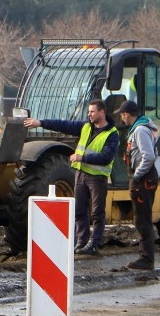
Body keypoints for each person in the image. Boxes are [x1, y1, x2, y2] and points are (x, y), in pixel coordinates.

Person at [23, 99, 119, 256]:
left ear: (102, 112)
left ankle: (95, 243)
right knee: (79, 210)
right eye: (88, 112)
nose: (89, 114)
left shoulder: (112, 134)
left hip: (97, 177)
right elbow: (63, 125)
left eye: (92, 111)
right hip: (81, 175)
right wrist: (40, 123)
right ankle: (82, 241)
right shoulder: (86, 127)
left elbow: (106, 157)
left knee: (97, 212)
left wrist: (82, 158)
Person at [117, 100, 158, 271]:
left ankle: (146, 259)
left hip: (143, 179)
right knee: (141, 218)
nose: (121, 118)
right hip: (143, 178)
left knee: (142, 219)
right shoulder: (139, 128)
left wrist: (138, 175)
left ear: (126, 114)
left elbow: (148, 156)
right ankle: (145, 257)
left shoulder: (140, 130)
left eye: (121, 114)